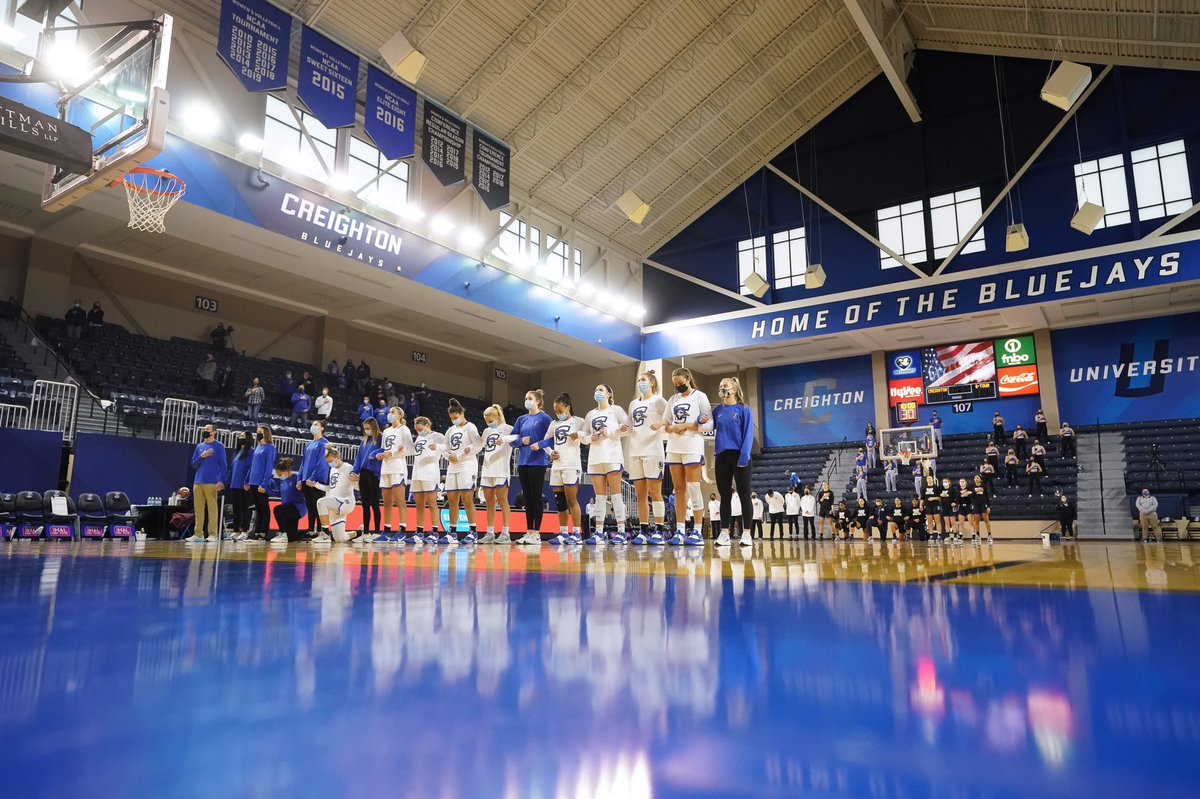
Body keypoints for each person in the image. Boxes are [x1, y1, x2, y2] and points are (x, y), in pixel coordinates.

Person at [662, 367, 712, 546]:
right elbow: (666, 423)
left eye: (680, 383)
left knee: (693, 487)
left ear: (688, 379)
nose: (678, 386)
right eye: (675, 384)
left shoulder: (700, 396)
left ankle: (697, 530)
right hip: (674, 446)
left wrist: (687, 426)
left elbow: (709, 424)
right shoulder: (673, 399)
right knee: (679, 489)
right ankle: (680, 529)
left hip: (692, 446)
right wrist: (671, 428)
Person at [533, 393, 584, 545]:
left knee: (571, 500)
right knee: (559, 502)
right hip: (557, 466)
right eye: (556, 411)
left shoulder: (578, 421)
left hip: (571, 465)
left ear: (568, 407)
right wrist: (550, 452)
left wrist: (580, 435)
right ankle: (563, 532)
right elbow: (545, 442)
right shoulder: (554, 424)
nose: (558, 413)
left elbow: (588, 434)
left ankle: (576, 533)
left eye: (560, 410)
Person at [584, 384, 632, 544]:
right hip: (595, 458)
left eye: (601, 390)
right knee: (599, 497)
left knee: (616, 495)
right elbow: (583, 435)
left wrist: (611, 433)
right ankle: (599, 533)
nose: (597, 392)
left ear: (609, 394)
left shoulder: (616, 409)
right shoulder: (591, 414)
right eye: (596, 389)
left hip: (612, 456)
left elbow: (629, 429)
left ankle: (621, 532)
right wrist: (590, 438)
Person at [712, 376, 754, 547]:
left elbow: (748, 433)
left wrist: (744, 455)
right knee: (725, 497)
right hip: (722, 456)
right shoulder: (717, 411)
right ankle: (724, 534)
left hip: (740, 456)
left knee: (744, 496)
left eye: (725, 385)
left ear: (734, 389)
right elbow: (707, 426)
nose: (722, 388)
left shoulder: (744, 409)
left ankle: (747, 534)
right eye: (720, 385)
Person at [628, 370, 669, 544]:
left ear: (652, 383)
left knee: (655, 492)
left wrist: (660, 423)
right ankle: (643, 531)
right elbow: (630, 425)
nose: (640, 383)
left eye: (643, 380)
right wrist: (624, 428)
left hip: (653, 450)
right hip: (635, 450)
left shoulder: (659, 401)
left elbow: (670, 418)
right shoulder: (632, 404)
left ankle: (659, 529)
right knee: (640, 494)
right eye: (639, 380)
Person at [438, 398, 482, 544]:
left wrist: (461, 455)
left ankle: (473, 532)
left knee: (467, 499)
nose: (453, 420)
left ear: (462, 414)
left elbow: (478, 446)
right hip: (453, 465)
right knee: (452, 500)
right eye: (451, 418)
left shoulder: (471, 427)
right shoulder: (450, 430)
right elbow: (444, 447)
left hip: (467, 465)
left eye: (455, 418)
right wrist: (448, 456)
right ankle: (452, 532)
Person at [512, 389, 553, 544]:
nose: (526, 401)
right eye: (525, 398)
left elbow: (552, 438)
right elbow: (512, 439)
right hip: (523, 462)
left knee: (536, 497)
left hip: (538, 462)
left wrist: (540, 445)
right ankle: (529, 531)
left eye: (529, 398)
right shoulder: (521, 419)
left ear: (537, 401)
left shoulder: (545, 418)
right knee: (527, 498)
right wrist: (521, 442)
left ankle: (537, 533)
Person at [479, 404, 515, 545]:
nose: (488, 423)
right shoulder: (487, 431)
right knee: (489, 503)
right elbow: (480, 445)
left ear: (497, 417)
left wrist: (505, 439)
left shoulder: (508, 429)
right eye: (486, 421)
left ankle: (506, 533)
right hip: (487, 469)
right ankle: (490, 532)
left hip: (501, 469)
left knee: (502, 501)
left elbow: (518, 436)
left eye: (490, 420)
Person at [377, 408, 415, 542]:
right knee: (386, 502)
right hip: (385, 468)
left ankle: (403, 530)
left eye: (393, 412)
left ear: (399, 415)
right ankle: (386, 531)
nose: (390, 415)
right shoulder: (386, 431)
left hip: (398, 467)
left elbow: (412, 450)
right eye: (390, 413)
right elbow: (384, 449)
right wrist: (380, 454)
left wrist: (392, 453)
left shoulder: (404, 429)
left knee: (400, 501)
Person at [185, 423, 227, 543]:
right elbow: (193, 464)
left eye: (207, 429)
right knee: (198, 509)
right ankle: (198, 534)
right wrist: (202, 456)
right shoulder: (199, 446)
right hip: (198, 481)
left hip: (212, 481)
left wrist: (220, 480)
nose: (205, 431)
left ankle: (213, 534)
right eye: (204, 429)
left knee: (212, 508)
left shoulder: (219, 446)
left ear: (214, 432)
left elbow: (223, 465)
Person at [408, 416, 446, 544]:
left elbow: (447, 447)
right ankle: (419, 532)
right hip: (417, 472)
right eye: (417, 429)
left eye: (420, 428)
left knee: (432, 503)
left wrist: (438, 447)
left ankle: (435, 532)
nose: (419, 431)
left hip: (430, 472)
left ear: (427, 425)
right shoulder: (419, 437)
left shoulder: (438, 436)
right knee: (419, 505)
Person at [313, 445, 357, 543]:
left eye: (331, 461)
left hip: (346, 502)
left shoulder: (348, 467)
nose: (329, 463)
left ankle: (324, 533)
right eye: (327, 462)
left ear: (337, 457)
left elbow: (357, 487)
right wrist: (316, 485)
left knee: (321, 502)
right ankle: (358, 533)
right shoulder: (332, 470)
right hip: (335, 504)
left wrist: (357, 479)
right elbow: (331, 489)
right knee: (340, 539)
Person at [352, 417, 384, 542]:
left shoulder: (380, 438)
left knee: (374, 504)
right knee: (365, 504)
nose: (366, 430)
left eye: (368, 428)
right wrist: (354, 471)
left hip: (374, 474)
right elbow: (358, 458)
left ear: (374, 427)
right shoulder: (364, 441)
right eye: (365, 429)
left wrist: (375, 453)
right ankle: (365, 532)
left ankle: (376, 531)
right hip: (364, 473)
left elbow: (385, 449)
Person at [300, 419, 330, 535]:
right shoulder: (308, 444)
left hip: (317, 480)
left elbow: (321, 463)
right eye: (312, 424)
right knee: (310, 506)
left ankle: (321, 530)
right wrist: (300, 478)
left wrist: (312, 478)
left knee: (318, 506)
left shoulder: (324, 444)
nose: (313, 426)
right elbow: (303, 462)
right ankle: (311, 530)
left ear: (322, 428)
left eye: (316, 424)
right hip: (305, 480)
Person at [247, 425, 277, 541]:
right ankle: (257, 530)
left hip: (261, 483)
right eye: (257, 432)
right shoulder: (258, 447)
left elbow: (269, 467)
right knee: (258, 508)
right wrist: (248, 480)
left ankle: (264, 532)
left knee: (264, 508)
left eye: (260, 432)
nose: (258, 434)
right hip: (253, 482)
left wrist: (264, 484)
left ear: (266, 434)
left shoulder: (270, 448)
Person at [269, 458, 308, 543]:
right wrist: (266, 490)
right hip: (287, 510)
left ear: (286, 471)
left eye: (280, 474)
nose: (279, 477)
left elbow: (304, 492)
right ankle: (306, 533)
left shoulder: (297, 478)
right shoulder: (282, 481)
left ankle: (282, 533)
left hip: (298, 508)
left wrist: (301, 487)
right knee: (292, 538)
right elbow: (279, 494)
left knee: (277, 510)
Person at [227, 431, 254, 540]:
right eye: (240, 436)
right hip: (234, 485)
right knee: (236, 508)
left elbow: (252, 469)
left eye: (243, 436)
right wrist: (225, 482)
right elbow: (231, 470)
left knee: (244, 508)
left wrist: (247, 482)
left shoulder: (251, 452)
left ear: (248, 439)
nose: (240, 438)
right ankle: (236, 530)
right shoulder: (237, 453)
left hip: (244, 485)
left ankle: (245, 530)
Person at [972, 475, 992, 545]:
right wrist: (976, 491)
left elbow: (987, 496)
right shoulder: (972, 486)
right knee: (976, 520)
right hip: (976, 505)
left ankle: (989, 535)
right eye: (975, 478)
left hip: (983, 504)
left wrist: (988, 506)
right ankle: (977, 535)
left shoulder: (984, 486)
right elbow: (971, 496)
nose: (976, 479)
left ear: (980, 479)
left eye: (977, 478)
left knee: (986, 519)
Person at [957, 478, 974, 542]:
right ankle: (961, 535)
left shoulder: (969, 488)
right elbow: (957, 497)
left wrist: (965, 493)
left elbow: (971, 494)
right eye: (960, 481)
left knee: (971, 522)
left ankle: (973, 535)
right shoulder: (958, 490)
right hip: (961, 507)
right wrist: (963, 493)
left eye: (963, 481)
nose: (962, 482)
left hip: (968, 507)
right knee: (961, 522)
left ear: (965, 482)